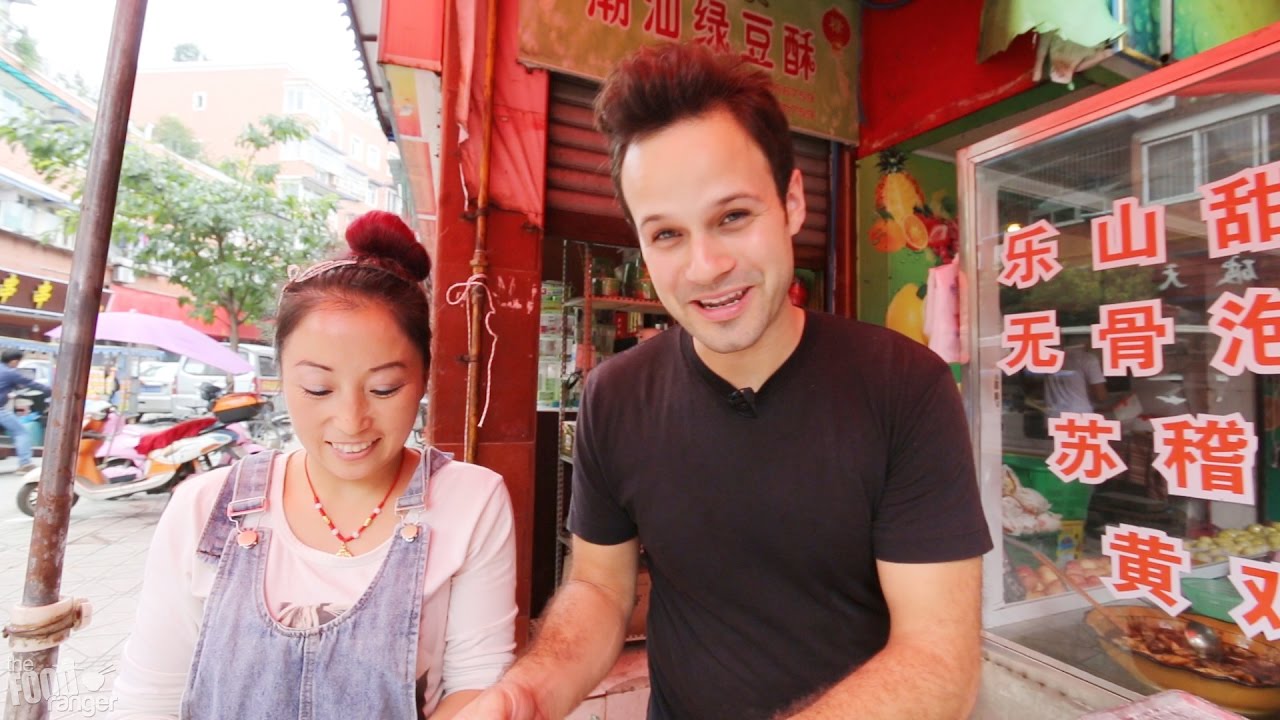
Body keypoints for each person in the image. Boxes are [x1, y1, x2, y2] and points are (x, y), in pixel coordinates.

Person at [458, 44, 992, 720]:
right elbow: (598, 588)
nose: (705, 266)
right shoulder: (615, 396)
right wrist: (528, 694)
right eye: (667, 235)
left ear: (792, 202)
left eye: (733, 217)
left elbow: (940, 658)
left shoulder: (905, 388)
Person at [110, 211, 518, 719]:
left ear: (425, 378)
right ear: (280, 374)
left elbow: (477, 682)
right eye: (318, 389)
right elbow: (149, 701)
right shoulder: (205, 507)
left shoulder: (471, 501)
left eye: (385, 388)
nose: (351, 420)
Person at [1, 349, 51, 473]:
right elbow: (31, 384)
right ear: (13, 362)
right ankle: (25, 464)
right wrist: (52, 391)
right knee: (21, 432)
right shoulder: (10, 372)